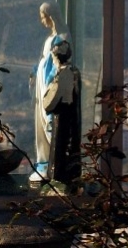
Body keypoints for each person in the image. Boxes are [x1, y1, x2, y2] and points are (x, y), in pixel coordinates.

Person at [30, 2, 70, 183]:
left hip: (50, 89)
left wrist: (49, 83)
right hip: (42, 86)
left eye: (43, 16)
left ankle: (54, 167)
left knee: (50, 126)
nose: (41, 20)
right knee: (41, 125)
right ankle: (43, 164)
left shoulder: (62, 37)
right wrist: (34, 71)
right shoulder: (52, 38)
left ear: (51, 16)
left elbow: (59, 65)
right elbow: (44, 61)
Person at [42, 39, 81, 186]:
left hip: (63, 115)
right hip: (71, 115)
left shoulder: (64, 74)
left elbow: (51, 101)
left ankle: (60, 177)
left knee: (60, 146)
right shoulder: (74, 71)